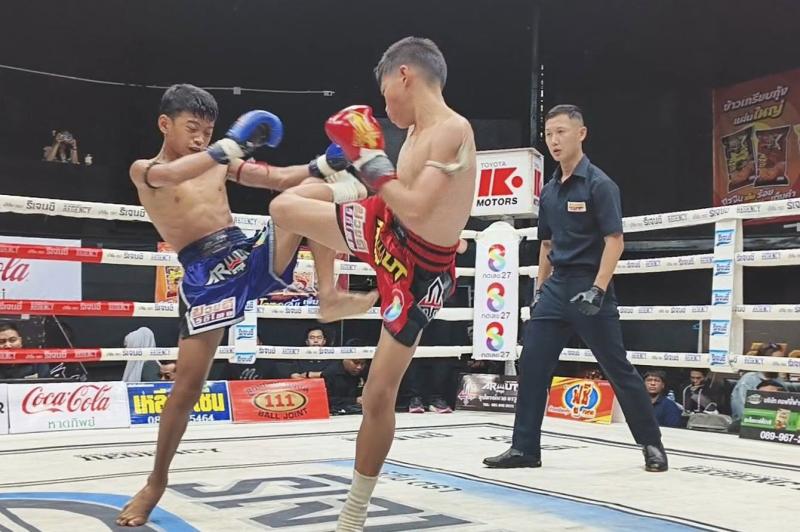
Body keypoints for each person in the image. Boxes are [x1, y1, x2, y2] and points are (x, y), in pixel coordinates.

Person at [115, 84, 356, 527]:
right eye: (192, 128)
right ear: (165, 124)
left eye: (207, 131)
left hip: (243, 254)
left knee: (308, 192)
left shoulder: (219, 161)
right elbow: (172, 175)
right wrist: (225, 147)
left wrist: (323, 164)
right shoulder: (146, 169)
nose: (200, 138)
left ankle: (330, 295)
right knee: (187, 388)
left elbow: (278, 179)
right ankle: (155, 482)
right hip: (204, 276)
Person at [269, 37, 475, 531]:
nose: (384, 105)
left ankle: (353, 515)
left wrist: (369, 159)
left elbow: (419, 208)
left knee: (377, 396)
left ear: (404, 75)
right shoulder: (415, 134)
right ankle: (328, 295)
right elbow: (405, 202)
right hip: (388, 230)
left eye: (384, 92)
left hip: (420, 272)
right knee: (287, 205)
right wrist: (353, 174)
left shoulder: (453, 129)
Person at [483, 104, 668, 473]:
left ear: (581, 134)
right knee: (532, 365)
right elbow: (547, 245)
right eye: (549, 133)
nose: (554, 140)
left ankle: (652, 444)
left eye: (561, 132)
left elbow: (615, 240)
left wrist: (598, 289)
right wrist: (539, 291)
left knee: (616, 367)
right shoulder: (550, 191)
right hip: (556, 288)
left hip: (590, 284)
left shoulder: (600, 184)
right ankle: (524, 448)